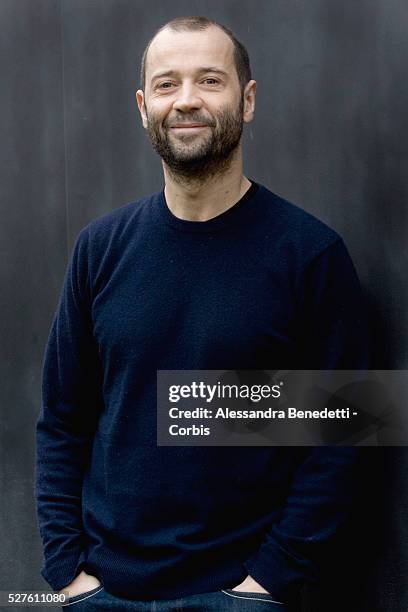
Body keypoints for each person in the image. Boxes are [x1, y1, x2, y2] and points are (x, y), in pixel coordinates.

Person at [35, 15, 369, 611]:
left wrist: (267, 581)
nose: (186, 100)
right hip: (103, 593)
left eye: (209, 80)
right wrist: (67, 568)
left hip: (241, 594)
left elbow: (342, 435)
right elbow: (63, 419)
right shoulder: (99, 249)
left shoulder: (310, 255)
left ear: (247, 100)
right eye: (167, 84)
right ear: (143, 106)